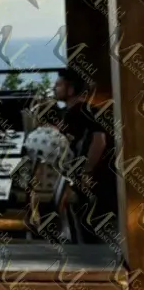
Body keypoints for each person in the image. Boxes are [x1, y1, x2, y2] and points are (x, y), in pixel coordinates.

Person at [53, 66, 118, 235]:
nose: (54, 88)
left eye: (58, 85)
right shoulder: (76, 111)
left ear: (71, 89)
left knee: (87, 229)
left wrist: (87, 172)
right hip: (84, 177)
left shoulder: (83, 112)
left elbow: (99, 141)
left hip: (96, 182)